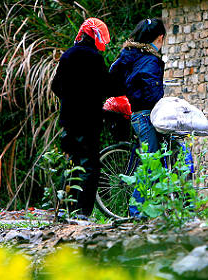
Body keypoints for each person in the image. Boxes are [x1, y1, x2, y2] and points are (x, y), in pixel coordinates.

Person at [50, 17, 117, 218]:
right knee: (90, 165)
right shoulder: (94, 58)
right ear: (97, 37)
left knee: (72, 162)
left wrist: (70, 99)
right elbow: (107, 86)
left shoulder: (68, 55)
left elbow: (56, 86)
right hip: (89, 120)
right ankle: (83, 213)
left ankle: (63, 210)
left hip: (69, 120)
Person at [109, 18, 167, 158]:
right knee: (152, 164)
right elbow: (151, 88)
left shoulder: (131, 54)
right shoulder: (150, 60)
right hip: (147, 114)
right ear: (160, 37)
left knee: (147, 158)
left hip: (136, 113)